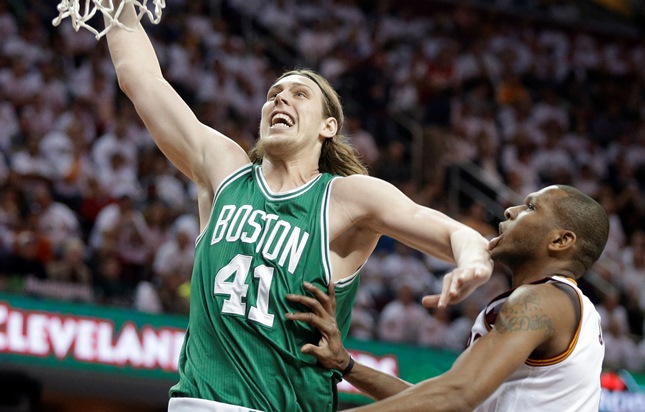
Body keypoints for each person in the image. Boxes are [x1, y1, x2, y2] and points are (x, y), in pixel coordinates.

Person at [98, 2, 493, 411]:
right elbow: (141, 80)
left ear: (328, 126)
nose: (280, 99)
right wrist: (119, 9)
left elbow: (441, 227)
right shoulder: (225, 170)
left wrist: (472, 259)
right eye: (273, 95)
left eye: (298, 94)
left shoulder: (346, 196)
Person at [287, 185, 609, 412]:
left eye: (530, 207)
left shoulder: (543, 299)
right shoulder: (556, 303)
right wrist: (347, 364)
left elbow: (456, 395)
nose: (510, 210)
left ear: (561, 240)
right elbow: (444, 400)